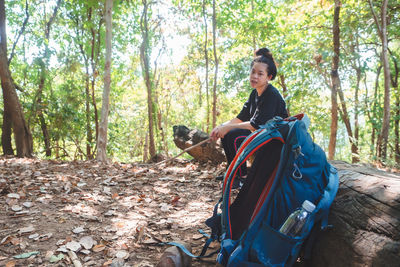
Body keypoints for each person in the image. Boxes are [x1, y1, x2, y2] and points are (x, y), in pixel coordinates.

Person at [210, 48, 288, 184]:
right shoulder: (254, 94)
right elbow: (241, 117)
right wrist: (221, 127)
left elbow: (255, 124)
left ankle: (241, 177)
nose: (255, 76)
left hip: (274, 143)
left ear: (268, 77)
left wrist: (228, 128)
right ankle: (232, 174)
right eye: (253, 72)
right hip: (262, 137)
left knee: (234, 134)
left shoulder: (271, 95)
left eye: (260, 74)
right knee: (227, 133)